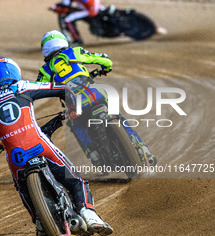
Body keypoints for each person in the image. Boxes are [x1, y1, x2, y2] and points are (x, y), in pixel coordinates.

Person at [0, 57, 113, 236]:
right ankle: (90, 215)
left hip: (15, 157)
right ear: (14, 72)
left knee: (22, 189)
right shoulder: (23, 87)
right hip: (39, 145)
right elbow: (65, 89)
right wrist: (72, 108)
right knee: (76, 180)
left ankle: (39, 224)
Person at [37, 30, 157, 168]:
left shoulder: (45, 71)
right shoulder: (74, 52)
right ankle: (143, 149)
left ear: (45, 50)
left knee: (76, 125)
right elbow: (104, 59)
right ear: (63, 42)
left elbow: (39, 90)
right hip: (96, 94)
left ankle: (94, 155)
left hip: (75, 104)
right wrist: (105, 68)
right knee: (118, 116)